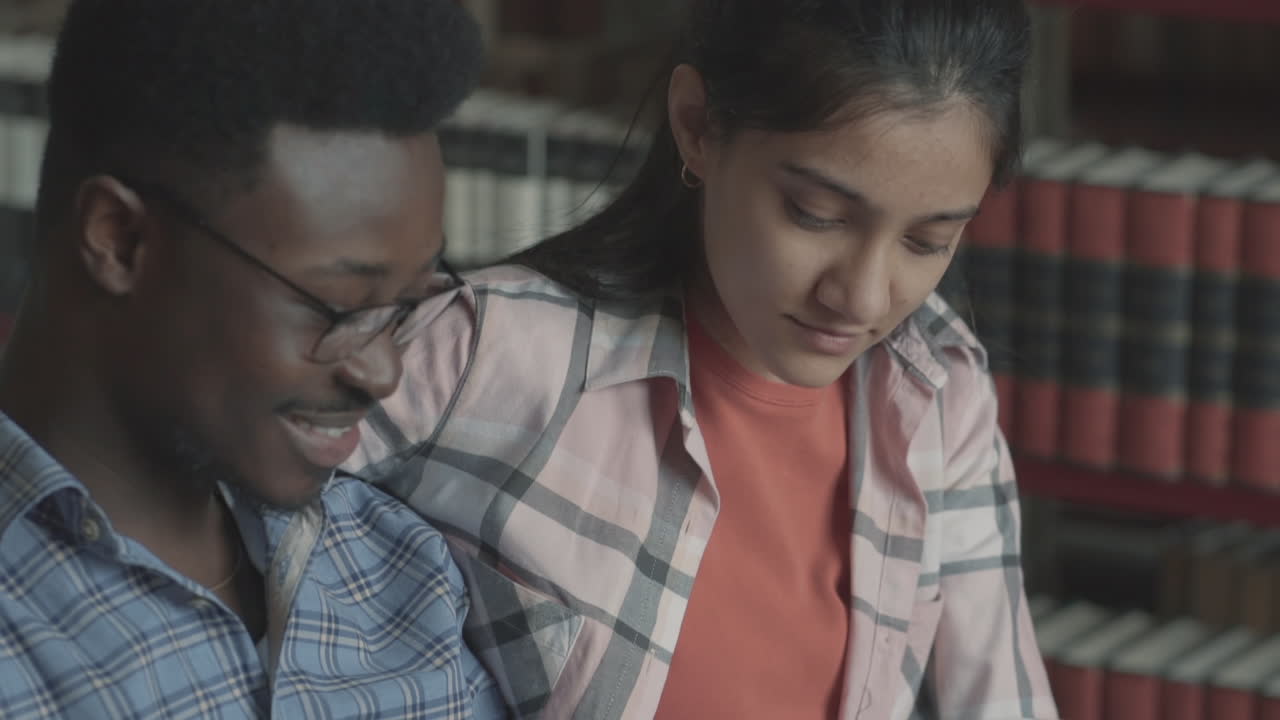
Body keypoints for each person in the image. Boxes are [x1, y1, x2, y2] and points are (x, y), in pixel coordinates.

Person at [347, 0, 1058, 717]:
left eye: (928, 242)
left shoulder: (940, 393)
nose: (863, 297)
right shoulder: (487, 353)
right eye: (816, 214)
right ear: (698, 126)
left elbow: (1001, 701)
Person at [0, 1, 507, 717]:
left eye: (403, 307)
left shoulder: (406, 576)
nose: (383, 373)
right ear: (119, 240)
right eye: (338, 307)